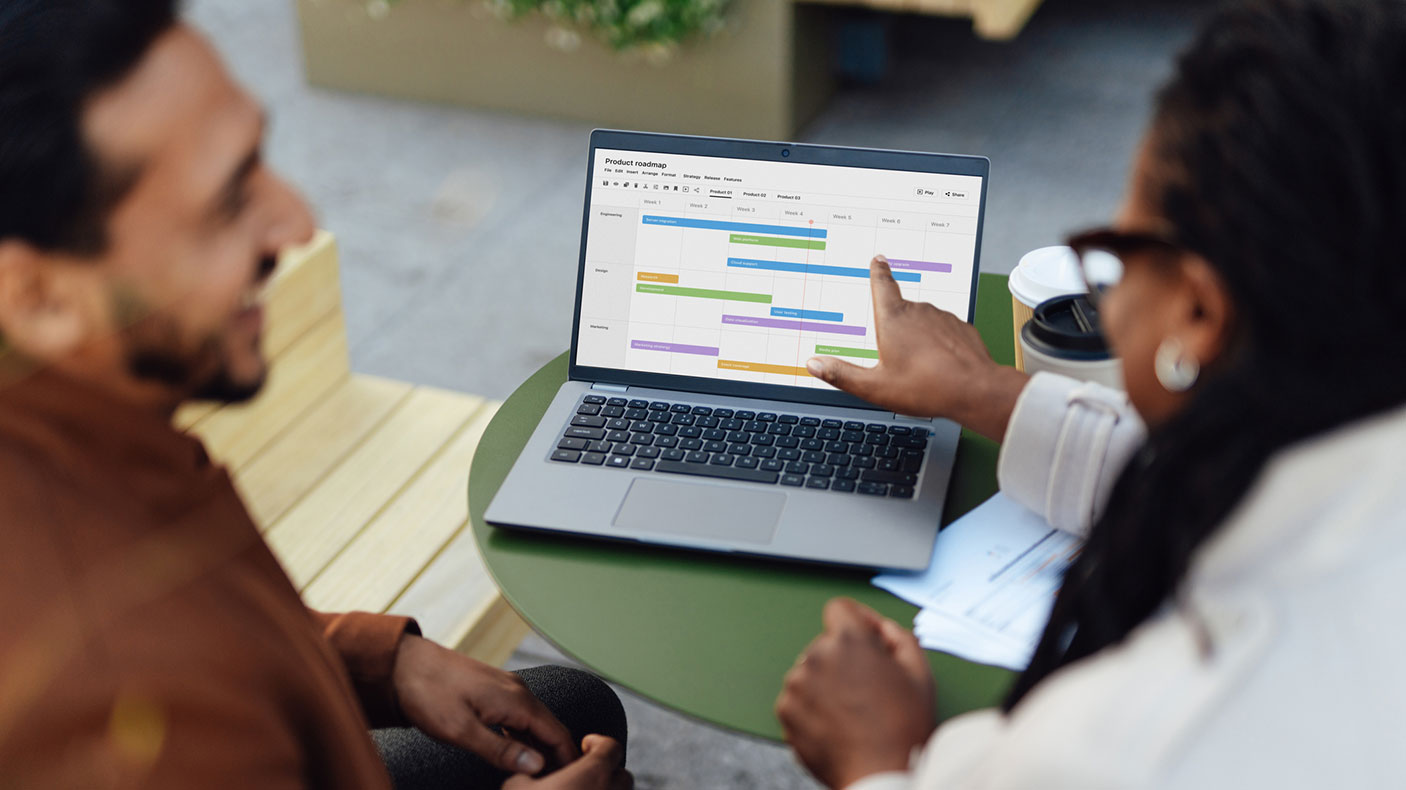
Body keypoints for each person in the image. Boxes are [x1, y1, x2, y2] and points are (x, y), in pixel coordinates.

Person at [776, 0, 1406, 787]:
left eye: (1112, 252)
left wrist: (872, 761)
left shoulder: (1123, 744)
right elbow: (1233, 489)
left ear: (1199, 311)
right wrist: (981, 391)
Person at [0, 2, 629, 788]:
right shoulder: (153, 721)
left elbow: (213, 618)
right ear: (37, 297)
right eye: (228, 199)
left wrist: (379, 661)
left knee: (569, 703)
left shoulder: (71, 422)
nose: (297, 223)